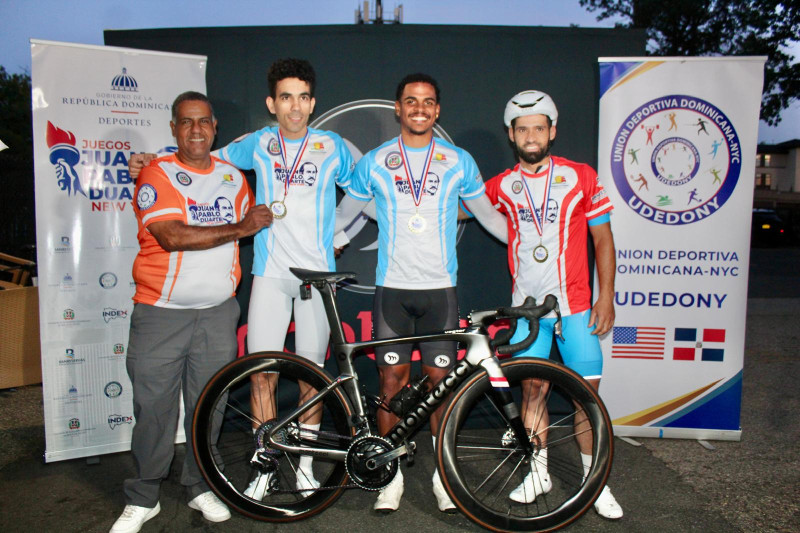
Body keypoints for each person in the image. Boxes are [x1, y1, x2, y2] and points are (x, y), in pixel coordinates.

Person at [129, 58, 354, 501]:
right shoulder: (257, 143)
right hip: (270, 274)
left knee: (311, 375)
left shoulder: (334, 146)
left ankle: (306, 465)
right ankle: (266, 461)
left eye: (303, 97)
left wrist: (339, 232)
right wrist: (152, 157)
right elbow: (198, 157)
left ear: (312, 103)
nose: (295, 106)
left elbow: (367, 190)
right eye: (286, 97)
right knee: (261, 375)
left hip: (317, 277)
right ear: (272, 103)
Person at [336, 73, 508, 514]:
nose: (419, 108)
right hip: (392, 290)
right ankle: (389, 477)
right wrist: (315, 243)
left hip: (440, 292)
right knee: (391, 384)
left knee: (440, 388)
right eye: (410, 101)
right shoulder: (375, 161)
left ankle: (443, 478)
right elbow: (342, 215)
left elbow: (489, 217)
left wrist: (531, 247)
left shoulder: (458, 160)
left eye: (427, 101)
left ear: (437, 110)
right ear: (398, 108)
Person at [111, 91, 273, 533]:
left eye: (203, 122)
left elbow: (259, 221)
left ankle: (200, 485)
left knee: (210, 406)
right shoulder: (156, 173)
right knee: (154, 408)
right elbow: (172, 236)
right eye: (186, 122)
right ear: (173, 129)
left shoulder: (233, 178)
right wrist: (241, 227)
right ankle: (143, 497)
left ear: (214, 127)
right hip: (160, 313)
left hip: (218, 314)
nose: (196, 130)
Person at [483, 90, 622, 519]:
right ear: (511, 134)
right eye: (522, 128)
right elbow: (457, 209)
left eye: (538, 128)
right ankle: (538, 472)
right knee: (534, 391)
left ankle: (594, 482)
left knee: (586, 399)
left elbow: (603, 239)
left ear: (552, 131)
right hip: (527, 312)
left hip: (578, 307)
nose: (530, 135)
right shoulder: (500, 185)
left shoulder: (581, 176)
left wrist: (607, 297)